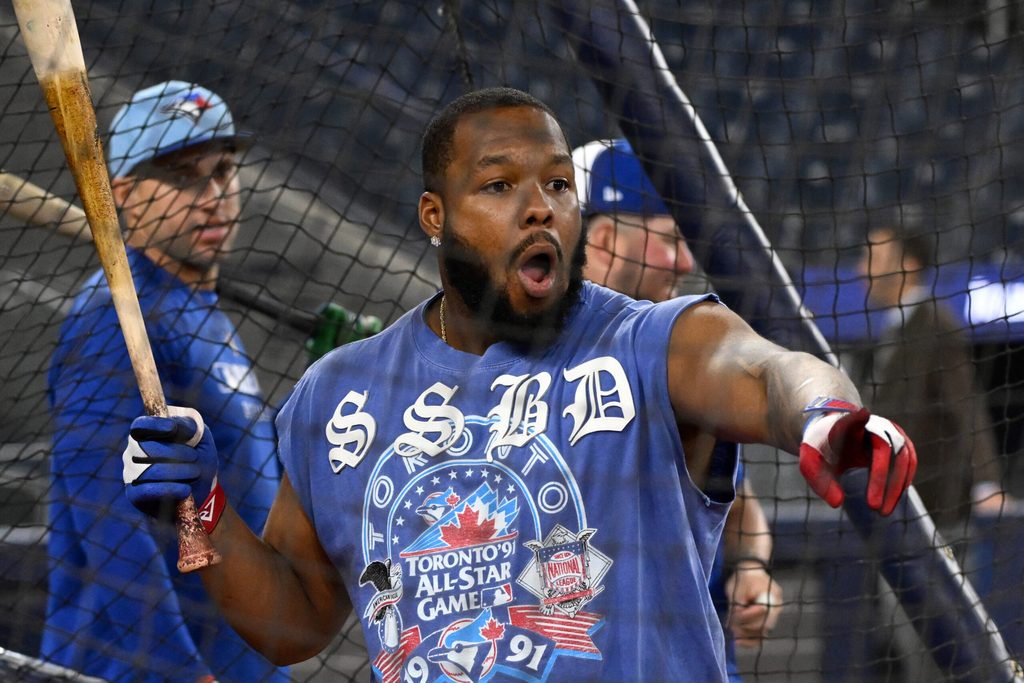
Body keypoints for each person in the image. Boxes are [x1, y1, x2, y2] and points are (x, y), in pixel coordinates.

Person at [121, 87, 917, 682]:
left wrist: (826, 414)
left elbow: (766, 369)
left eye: (558, 186)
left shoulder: (649, 341)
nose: (540, 209)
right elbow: (296, 620)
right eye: (500, 186)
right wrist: (204, 516)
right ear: (435, 214)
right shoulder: (338, 395)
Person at [45, 81, 287, 682]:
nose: (214, 197)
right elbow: (102, 516)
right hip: (140, 668)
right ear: (122, 196)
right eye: (182, 176)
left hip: (238, 657)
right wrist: (179, 673)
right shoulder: (115, 319)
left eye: (225, 171)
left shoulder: (200, 312)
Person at [573, 138, 783, 681]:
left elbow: (741, 504)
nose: (687, 261)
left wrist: (752, 569)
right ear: (603, 240)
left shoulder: (678, 357)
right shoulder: (523, 368)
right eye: (669, 239)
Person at [856, 225, 1011, 529]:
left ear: (908, 266)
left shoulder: (935, 325)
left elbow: (966, 406)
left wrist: (986, 483)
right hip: (896, 503)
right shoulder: (897, 326)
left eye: (873, 259)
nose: (862, 270)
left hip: (933, 510)